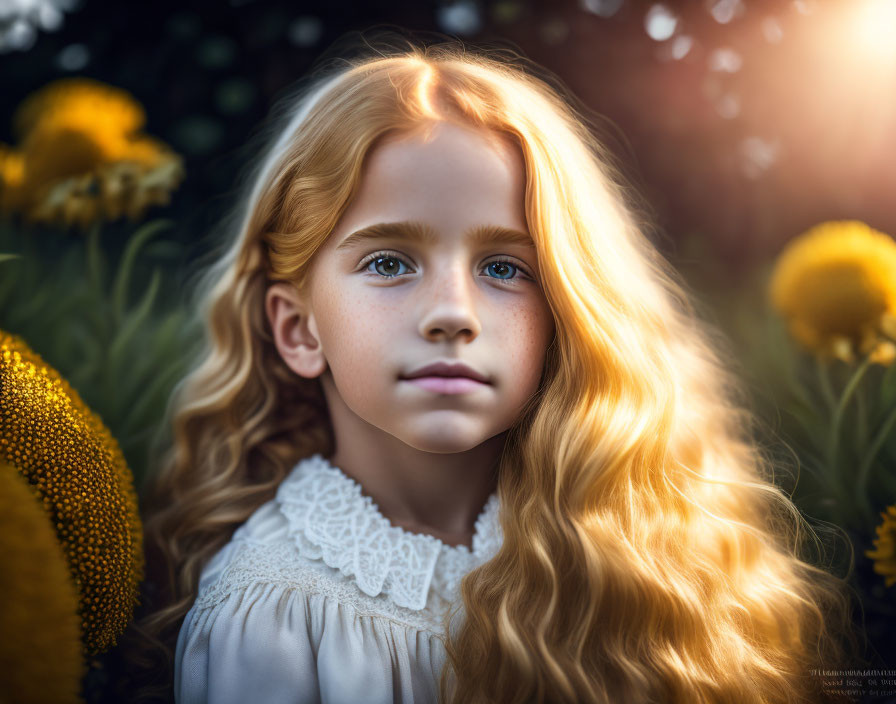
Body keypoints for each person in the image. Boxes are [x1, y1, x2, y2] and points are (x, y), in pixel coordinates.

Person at [123, 31, 860, 704]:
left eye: (506, 267)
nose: (454, 313)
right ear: (298, 328)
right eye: (388, 261)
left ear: (567, 311)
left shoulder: (638, 552)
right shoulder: (270, 613)